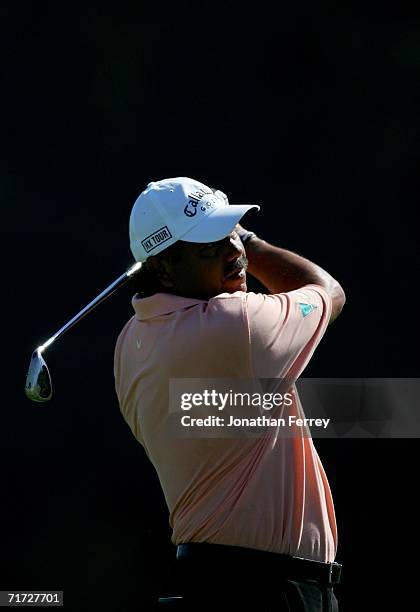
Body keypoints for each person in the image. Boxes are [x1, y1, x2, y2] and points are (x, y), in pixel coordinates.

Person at [114, 177, 346, 611]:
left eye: (231, 234)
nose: (233, 253)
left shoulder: (130, 344)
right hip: (266, 589)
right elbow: (329, 292)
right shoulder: (232, 324)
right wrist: (252, 241)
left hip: (214, 579)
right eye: (211, 245)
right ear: (164, 266)